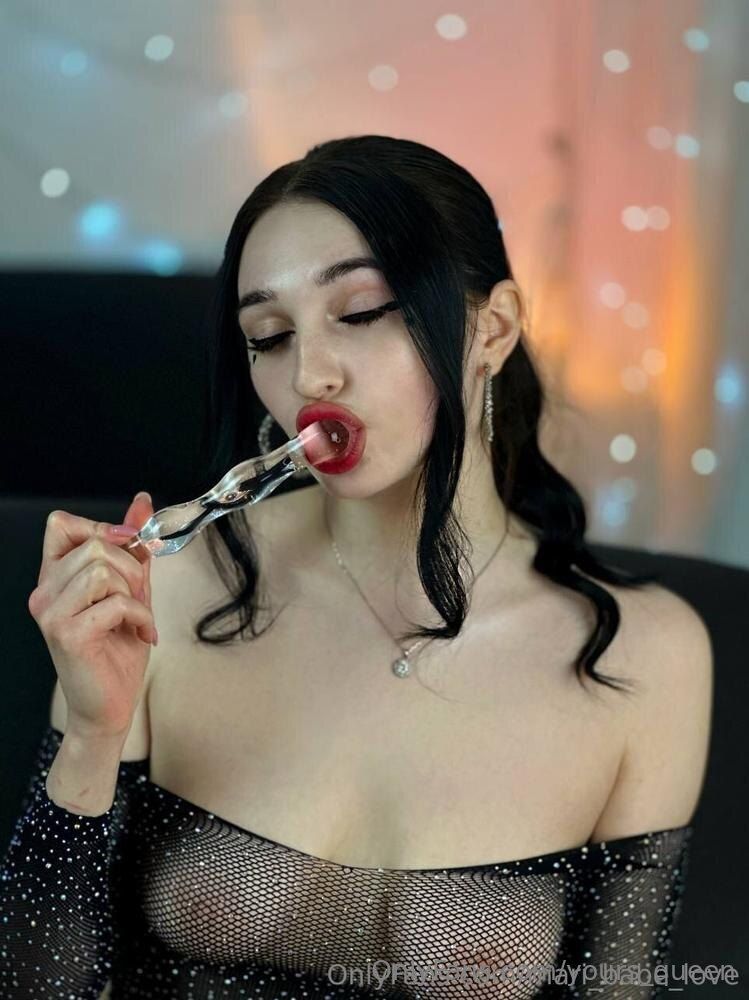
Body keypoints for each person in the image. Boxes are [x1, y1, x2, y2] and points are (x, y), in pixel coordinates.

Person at [1, 135, 712, 999]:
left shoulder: (646, 657)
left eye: (362, 311)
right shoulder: (169, 594)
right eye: (269, 335)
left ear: (492, 329)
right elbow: (36, 983)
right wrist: (92, 735)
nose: (310, 374)